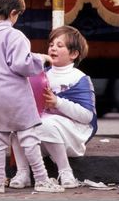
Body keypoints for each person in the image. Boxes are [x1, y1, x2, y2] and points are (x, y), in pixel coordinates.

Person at [0, 0, 64, 194]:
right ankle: (41, 179)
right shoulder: (15, 36)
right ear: (13, 13)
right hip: (18, 97)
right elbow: (22, 64)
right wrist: (41, 59)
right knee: (29, 137)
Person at [9, 26, 98, 189]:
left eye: (59, 45)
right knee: (18, 124)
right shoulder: (41, 74)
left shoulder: (79, 78)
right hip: (44, 133)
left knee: (45, 123)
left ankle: (65, 171)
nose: (53, 48)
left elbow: (87, 116)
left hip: (72, 134)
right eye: (51, 44)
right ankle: (22, 172)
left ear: (74, 54)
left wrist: (57, 102)